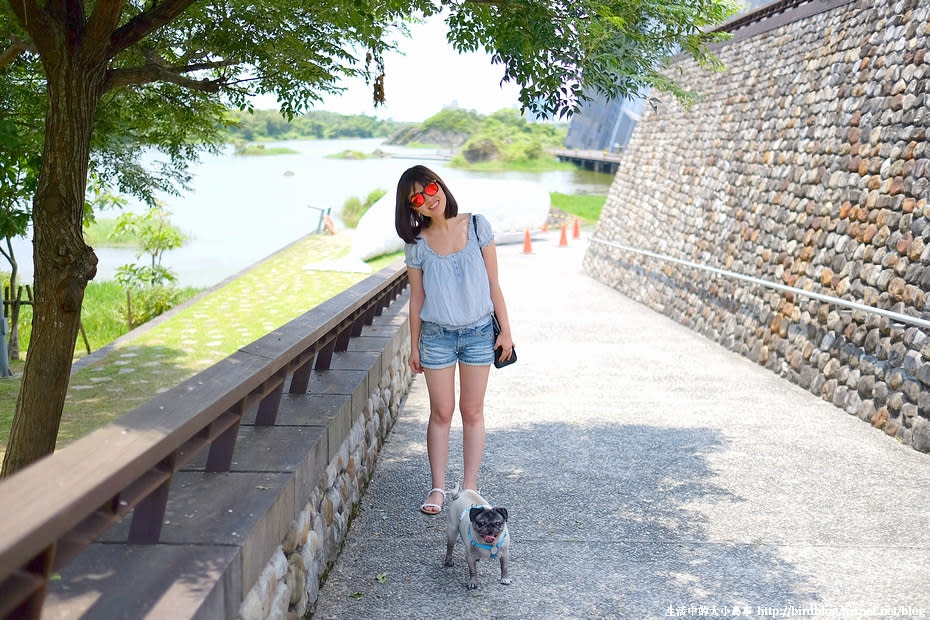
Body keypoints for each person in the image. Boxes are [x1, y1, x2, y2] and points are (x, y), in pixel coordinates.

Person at [394, 165, 514, 515]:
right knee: (441, 413)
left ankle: (470, 487)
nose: (428, 198)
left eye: (430, 188)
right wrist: (413, 345)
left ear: (440, 185)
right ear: (412, 208)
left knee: (472, 411)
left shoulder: (476, 225)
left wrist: (505, 329)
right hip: (436, 337)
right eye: (417, 197)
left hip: (479, 332)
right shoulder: (416, 245)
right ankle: (437, 488)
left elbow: (494, 284)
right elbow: (417, 299)